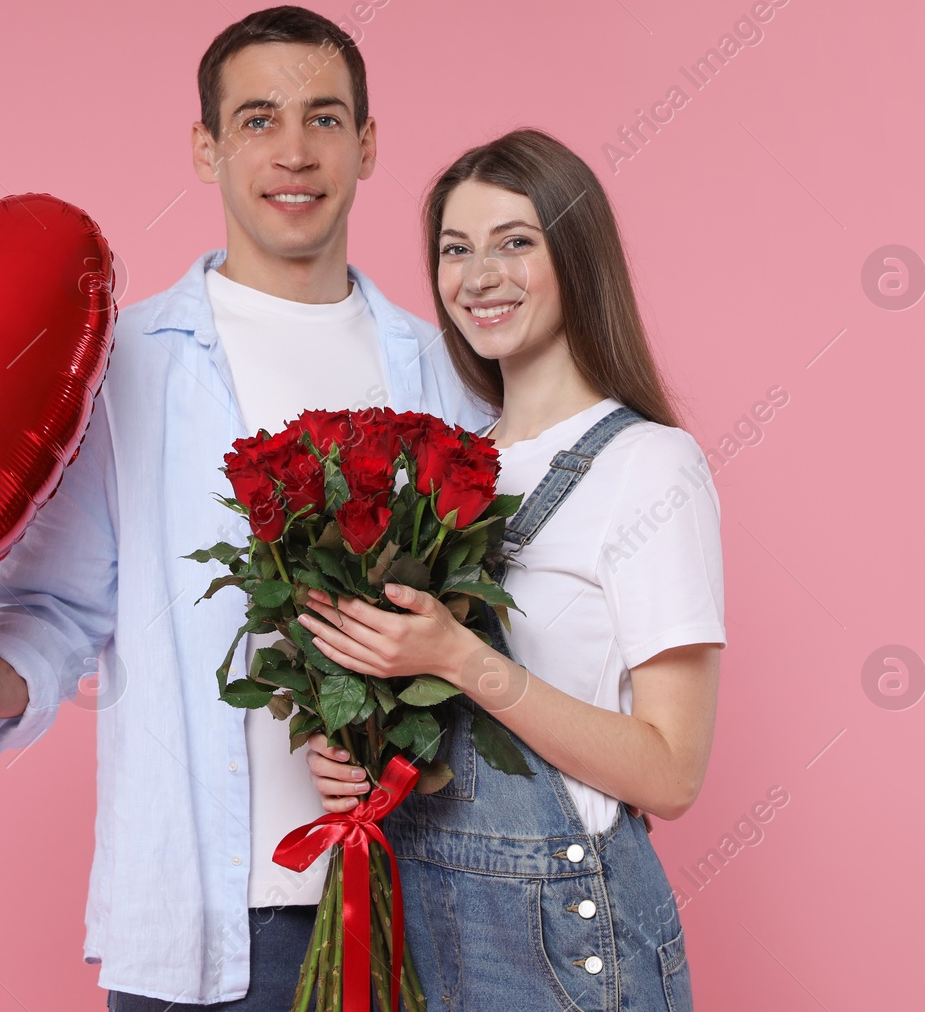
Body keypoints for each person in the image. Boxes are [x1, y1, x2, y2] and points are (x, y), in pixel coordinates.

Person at [0, 6, 490, 1009]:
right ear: (206, 147)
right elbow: (61, 610)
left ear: (369, 143)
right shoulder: (124, 367)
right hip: (210, 924)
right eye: (257, 120)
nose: (293, 152)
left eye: (324, 119)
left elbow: (485, 631)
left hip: (415, 900)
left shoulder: (445, 373)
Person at [300, 128, 724, 1010]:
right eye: (456, 250)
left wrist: (460, 658)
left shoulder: (649, 466)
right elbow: (436, 727)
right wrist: (359, 756)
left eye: (515, 242)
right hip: (423, 922)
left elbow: (671, 772)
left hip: (564, 938)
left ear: (577, 255)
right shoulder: (438, 468)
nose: (478, 275)